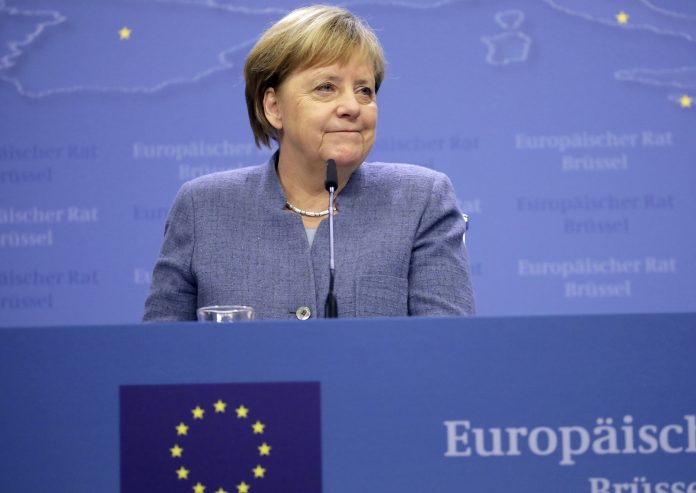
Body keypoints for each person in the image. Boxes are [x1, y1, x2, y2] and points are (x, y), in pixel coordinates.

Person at [143, 5, 475, 321]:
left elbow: (448, 348)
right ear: (274, 107)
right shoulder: (202, 208)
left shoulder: (420, 201)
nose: (352, 107)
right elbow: (160, 352)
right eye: (326, 87)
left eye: (365, 90)